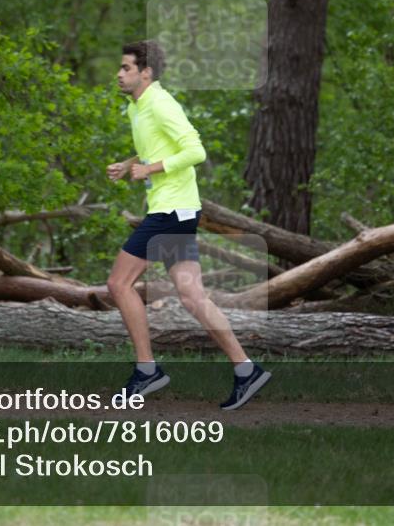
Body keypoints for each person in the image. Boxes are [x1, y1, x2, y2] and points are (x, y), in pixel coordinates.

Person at [106, 40, 271, 411]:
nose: (119, 74)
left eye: (126, 68)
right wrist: (129, 163)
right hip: (177, 211)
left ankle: (147, 370)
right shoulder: (137, 106)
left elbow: (196, 151)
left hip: (170, 212)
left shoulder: (161, 103)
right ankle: (246, 370)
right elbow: (158, 146)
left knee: (119, 283)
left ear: (146, 73)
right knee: (193, 296)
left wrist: (149, 169)